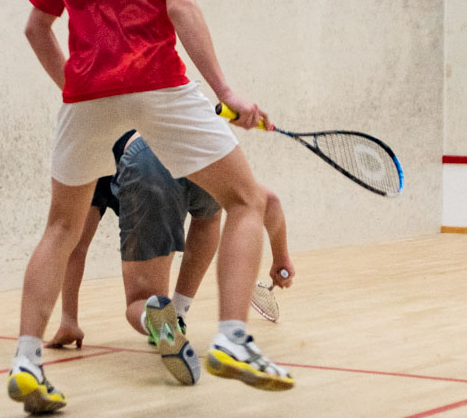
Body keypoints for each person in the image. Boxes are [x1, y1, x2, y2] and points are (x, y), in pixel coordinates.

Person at [8, 0, 297, 414]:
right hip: (158, 84)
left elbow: (36, 27)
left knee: (61, 228)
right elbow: (181, 5)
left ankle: (26, 361)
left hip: (85, 97)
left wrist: (77, 87)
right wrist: (226, 90)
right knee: (246, 200)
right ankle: (233, 339)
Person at [45, 130, 294, 387]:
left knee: (140, 301)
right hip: (195, 147)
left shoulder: (90, 154)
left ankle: (159, 321)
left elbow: (76, 247)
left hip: (146, 162)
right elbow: (270, 201)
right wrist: (281, 258)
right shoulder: (179, 119)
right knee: (208, 216)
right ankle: (179, 312)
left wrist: (69, 320)